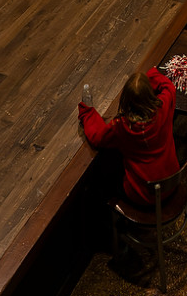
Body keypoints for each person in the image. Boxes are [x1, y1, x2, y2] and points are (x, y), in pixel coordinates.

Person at [76, 67, 180, 207]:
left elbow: (98, 137)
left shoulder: (122, 126)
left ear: (126, 100)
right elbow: (169, 87)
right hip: (171, 183)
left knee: (103, 171)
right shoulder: (164, 106)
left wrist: (87, 113)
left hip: (143, 196)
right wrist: (152, 74)